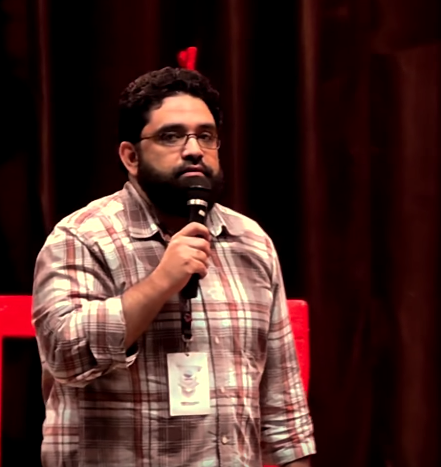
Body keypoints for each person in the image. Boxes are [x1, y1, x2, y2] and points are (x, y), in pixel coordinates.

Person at [32, 66, 315, 466]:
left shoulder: (251, 242)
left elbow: (283, 409)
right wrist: (161, 281)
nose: (194, 149)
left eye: (206, 136)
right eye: (171, 136)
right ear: (131, 156)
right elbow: (64, 356)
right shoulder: (82, 237)